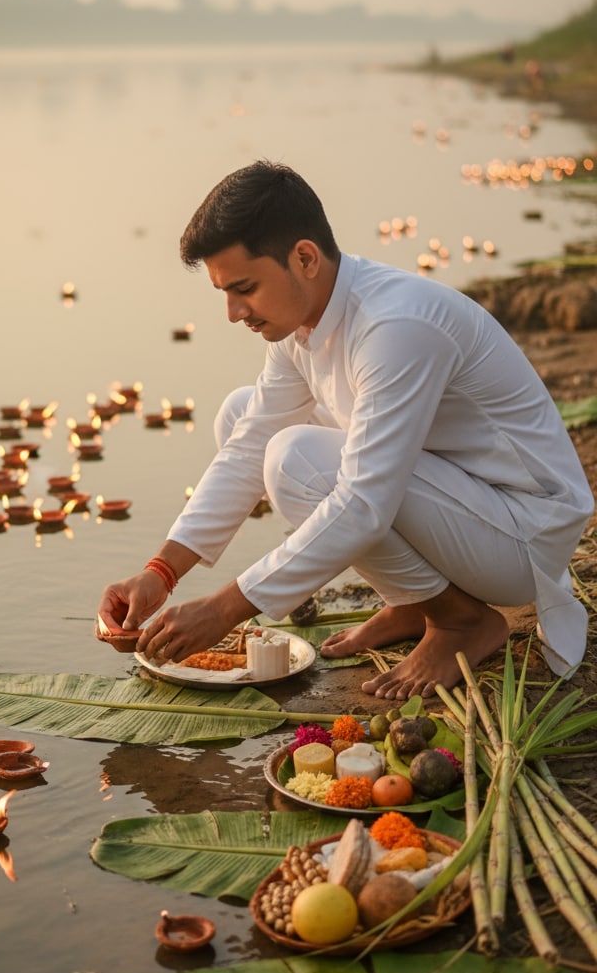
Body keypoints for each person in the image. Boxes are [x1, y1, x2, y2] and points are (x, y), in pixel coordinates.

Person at [96, 161, 593, 699]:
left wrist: (224, 609)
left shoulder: (395, 326)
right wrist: (161, 572)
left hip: (523, 536)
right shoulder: (301, 324)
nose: (234, 312)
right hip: (463, 503)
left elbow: (363, 503)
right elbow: (247, 449)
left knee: (296, 459)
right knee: (245, 417)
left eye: (244, 288)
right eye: (225, 293)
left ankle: (459, 621)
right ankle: (412, 601)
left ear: (304, 257)